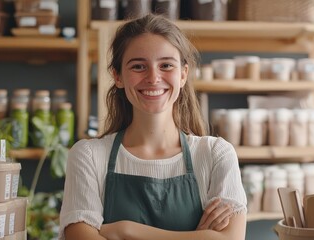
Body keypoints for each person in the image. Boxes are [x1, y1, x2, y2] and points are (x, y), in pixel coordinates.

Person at [59, 14, 247, 240]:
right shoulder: (88, 156)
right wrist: (198, 237)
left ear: (183, 74)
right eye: (138, 66)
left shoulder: (216, 154)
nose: (153, 78)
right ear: (117, 76)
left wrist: (125, 230)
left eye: (166, 65)